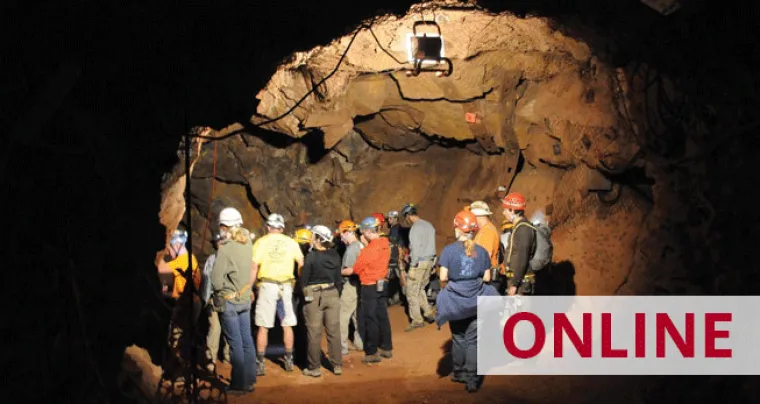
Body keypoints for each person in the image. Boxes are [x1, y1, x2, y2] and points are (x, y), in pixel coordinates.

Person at [435, 210, 499, 393]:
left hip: (456, 303)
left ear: (458, 229)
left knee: (458, 338)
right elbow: (486, 278)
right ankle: (472, 380)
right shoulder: (481, 251)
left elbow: (443, 277)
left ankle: (459, 373)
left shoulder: (449, 251)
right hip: (476, 302)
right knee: (473, 340)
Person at [210, 207, 256, 395]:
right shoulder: (248, 244)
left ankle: (239, 384)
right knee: (247, 340)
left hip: (229, 302)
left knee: (235, 343)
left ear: (225, 226)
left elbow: (216, 281)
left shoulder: (225, 250)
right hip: (245, 299)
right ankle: (250, 379)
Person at [252, 213, 304, 375]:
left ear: (268, 227)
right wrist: (300, 283)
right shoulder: (291, 242)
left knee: (263, 326)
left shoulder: (260, 242)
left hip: (268, 285)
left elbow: (253, 267)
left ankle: (260, 363)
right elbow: (301, 263)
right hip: (286, 286)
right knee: (287, 324)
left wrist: (249, 286)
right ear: (282, 228)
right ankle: (289, 360)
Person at [300, 225, 343, 377]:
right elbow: (339, 279)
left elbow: (303, 280)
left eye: (313, 235)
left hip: (314, 295)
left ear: (318, 239)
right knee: (334, 331)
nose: (311, 238)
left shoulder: (311, 256)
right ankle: (337, 365)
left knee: (314, 332)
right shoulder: (335, 255)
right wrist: (336, 293)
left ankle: (314, 368)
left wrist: (304, 293)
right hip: (332, 293)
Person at [349, 216, 393, 363]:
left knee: (370, 318)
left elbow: (356, 268)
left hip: (369, 284)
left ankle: (372, 351)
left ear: (368, 231)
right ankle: (386, 347)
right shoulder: (385, 243)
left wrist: (365, 245)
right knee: (382, 315)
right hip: (382, 283)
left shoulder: (370, 248)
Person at [157, 229, 201, 359]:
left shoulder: (182, 260)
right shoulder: (190, 258)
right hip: (193, 302)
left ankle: (182, 371)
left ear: (177, 245)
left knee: (177, 339)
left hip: (186, 304)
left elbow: (161, 268)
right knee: (186, 337)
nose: (169, 253)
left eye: (170, 248)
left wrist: (158, 251)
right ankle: (187, 369)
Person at [401, 203, 436, 331]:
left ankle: (417, 320)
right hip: (429, 261)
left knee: (411, 292)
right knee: (420, 288)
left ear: (408, 216)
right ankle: (428, 313)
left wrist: (412, 266)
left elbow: (416, 249)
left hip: (419, 263)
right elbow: (432, 245)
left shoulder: (415, 228)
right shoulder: (429, 225)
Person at [200, 233, 230, 372]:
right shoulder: (213, 259)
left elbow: (207, 280)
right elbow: (207, 280)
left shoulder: (226, 258)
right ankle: (212, 360)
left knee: (225, 329)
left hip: (226, 298)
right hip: (217, 299)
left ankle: (224, 358)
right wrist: (206, 300)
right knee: (216, 329)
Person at [337, 219, 364, 355]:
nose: (341, 238)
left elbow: (350, 270)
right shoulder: (360, 245)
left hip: (351, 284)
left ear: (347, 232)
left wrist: (336, 271)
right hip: (361, 285)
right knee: (356, 315)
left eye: (342, 234)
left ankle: (342, 347)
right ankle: (360, 343)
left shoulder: (352, 248)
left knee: (342, 315)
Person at [502, 192, 537, 296]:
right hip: (517, 282)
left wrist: (514, 284)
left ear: (512, 210)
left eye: (505, 209)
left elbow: (522, 257)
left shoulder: (523, 229)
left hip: (521, 285)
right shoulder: (518, 228)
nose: (503, 213)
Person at [469, 201, 502, 293]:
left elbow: (485, 256)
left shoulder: (488, 232)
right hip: (484, 278)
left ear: (477, 216)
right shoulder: (484, 230)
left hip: (486, 279)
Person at [386, 210, 408, 306]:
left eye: (390, 218)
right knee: (398, 279)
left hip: (398, 257)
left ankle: (408, 299)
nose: (389, 220)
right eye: (388, 218)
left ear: (396, 219)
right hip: (400, 256)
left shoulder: (395, 229)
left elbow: (393, 243)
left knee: (402, 279)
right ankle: (400, 298)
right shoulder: (398, 228)